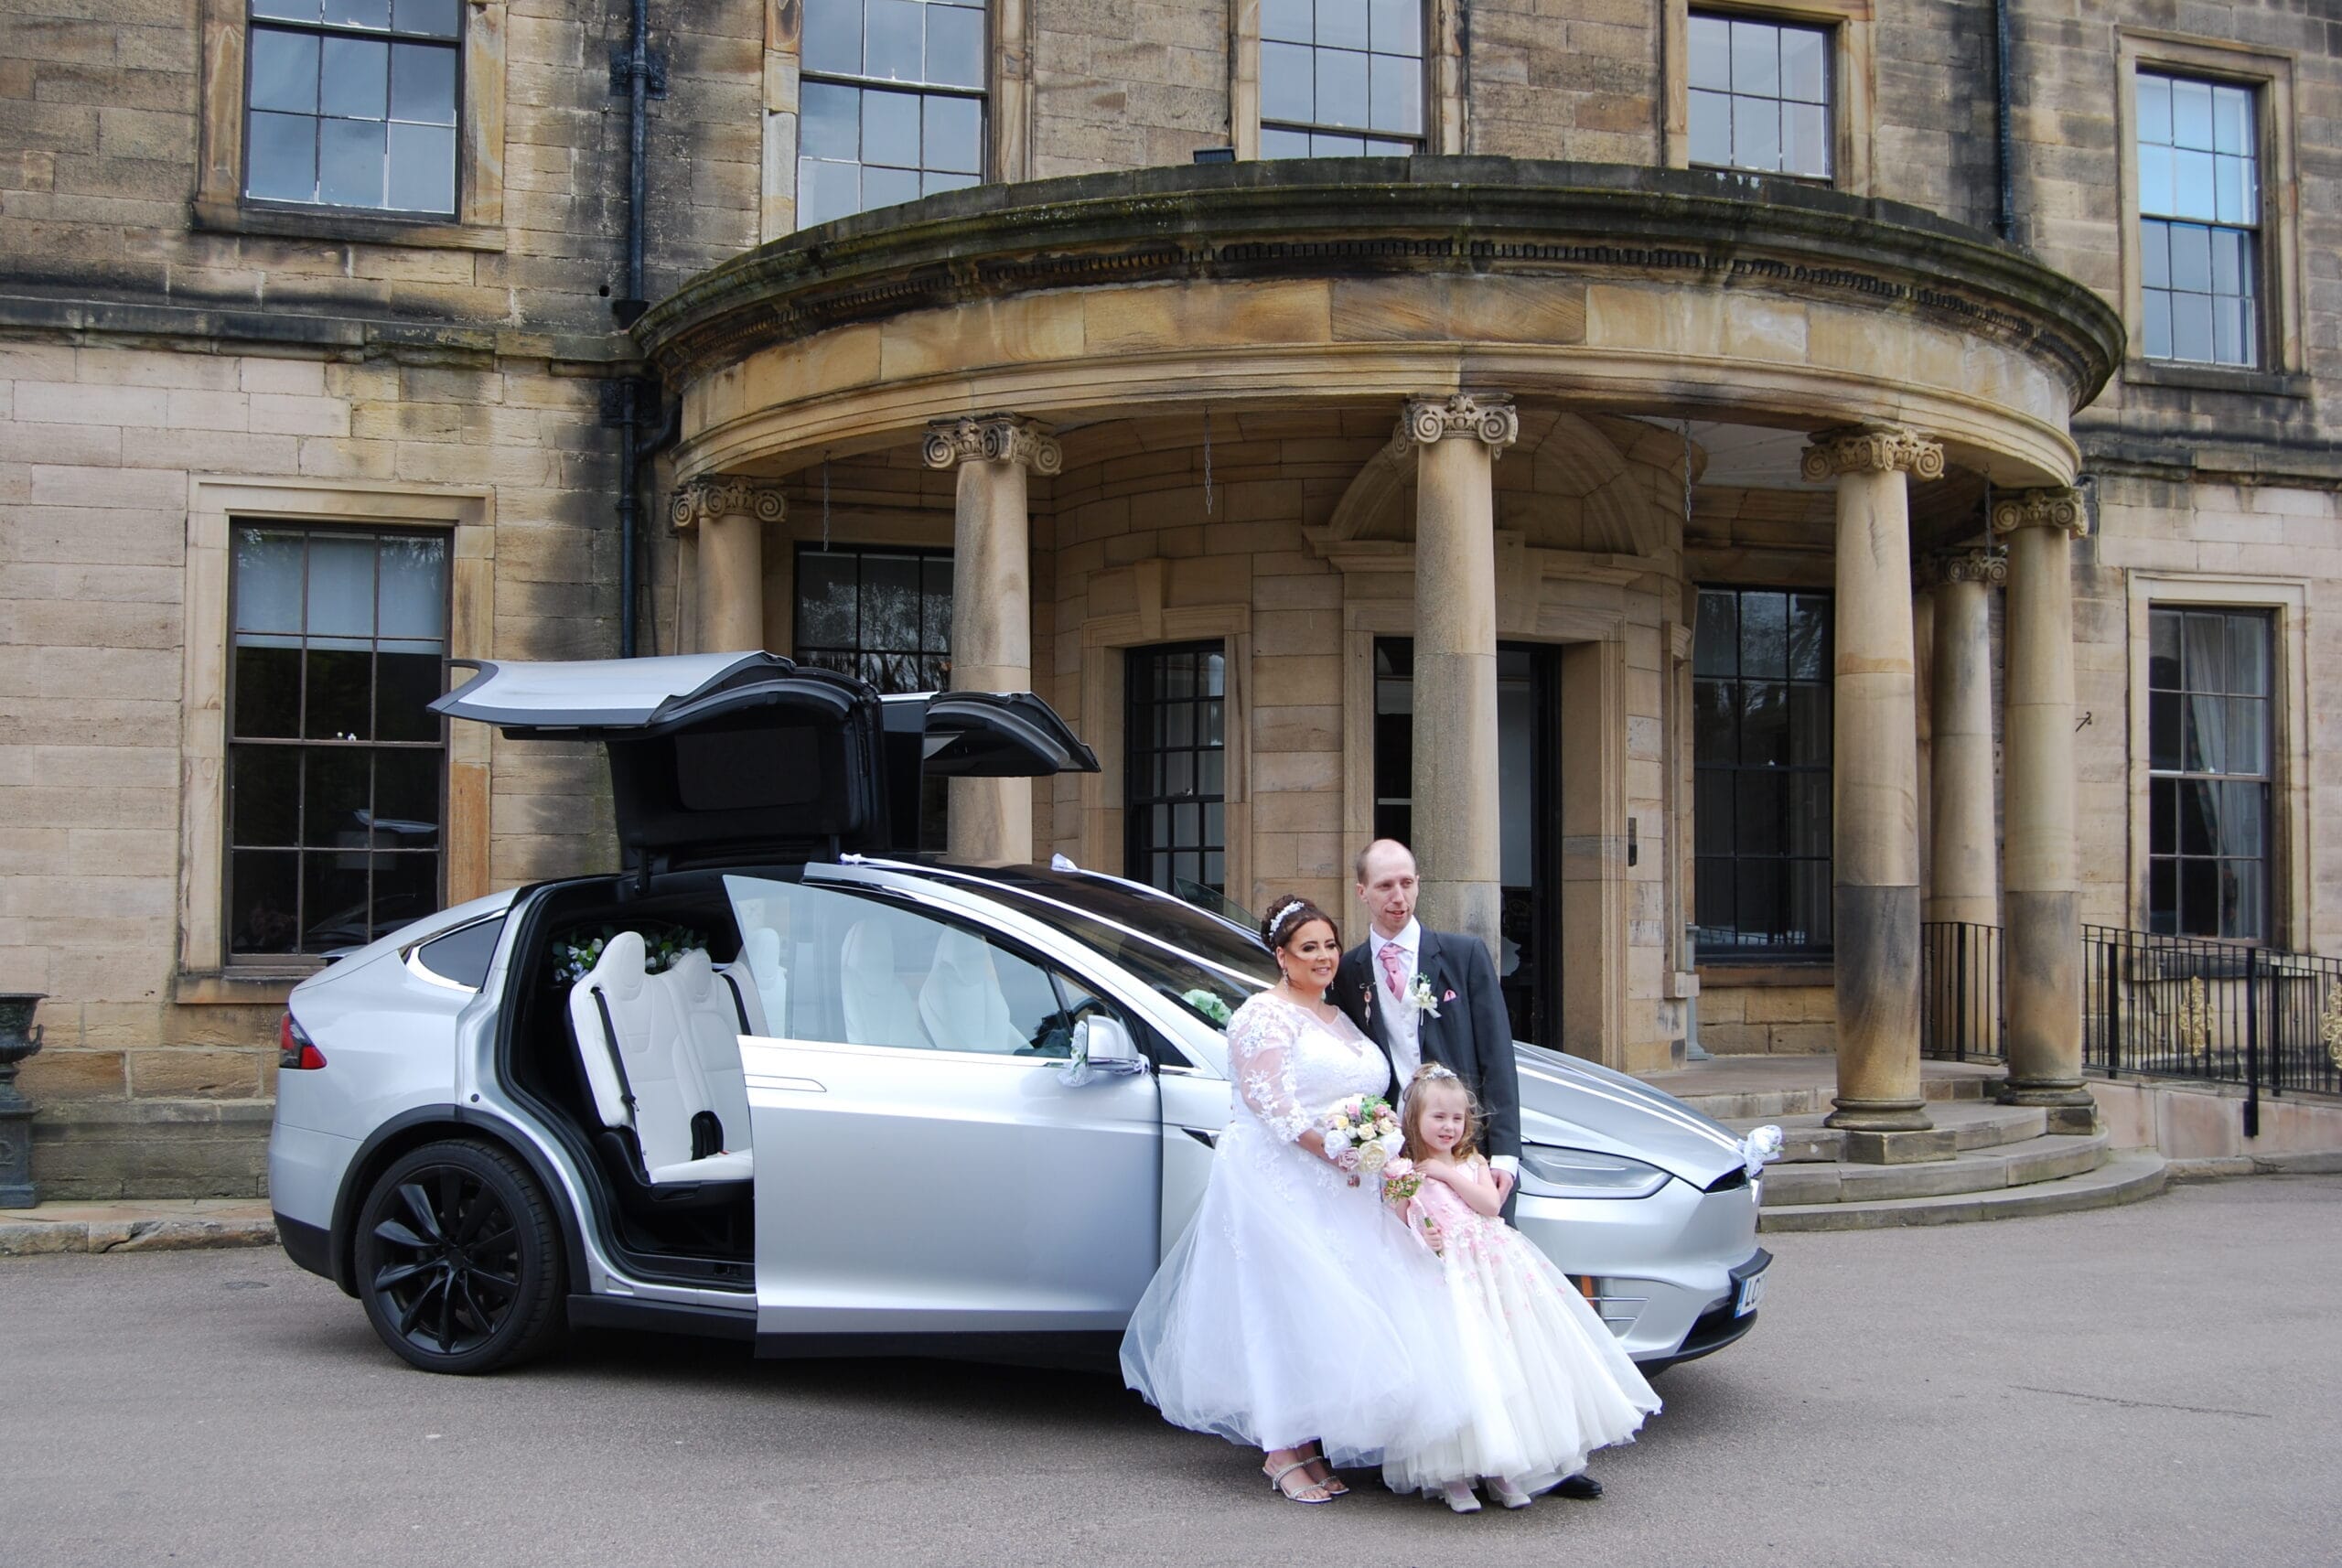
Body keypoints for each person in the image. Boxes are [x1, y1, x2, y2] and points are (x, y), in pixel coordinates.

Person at [1121, 896, 1467, 1504]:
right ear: (1281, 956)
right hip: (1276, 1176)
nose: (1325, 957)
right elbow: (1268, 1101)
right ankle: (1281, 1448)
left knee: (1326, 1309)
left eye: (1330, 945)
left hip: (1343, 1184)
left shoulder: (1339, 1017)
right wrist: (1334, 1148)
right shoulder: (1263, 1015)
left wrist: (1377, 1149)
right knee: (1278, 1307)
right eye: (1309, 948)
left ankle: (1310, 1438)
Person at [1379, 1064, 1662, 1513]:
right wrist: (1420, 1231)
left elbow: (1490, 1205)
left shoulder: (1470, 1163)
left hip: (1493, 1273)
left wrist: (1447, 1173)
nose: (1449, 1126)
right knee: (1464, 1366)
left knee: (1507, 1363)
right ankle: (1454, 1474)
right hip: (1445, 1277)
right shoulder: (1403, 1171)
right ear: (1413, 1118)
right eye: (1438, 1117)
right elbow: (1397, 1218)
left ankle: (1502, 1469)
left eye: (1456, 1118)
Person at [1334, 839, 1523, 1210]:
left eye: (1407, 883)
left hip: (1465, 1147)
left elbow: (1497, 1056)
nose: (1399, 897)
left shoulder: (1464, 955)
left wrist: (1505, 1154)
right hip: (1390, 1150)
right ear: (1362, 892)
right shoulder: (1347, 971)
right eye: (1385, 886)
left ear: (1418, 883)